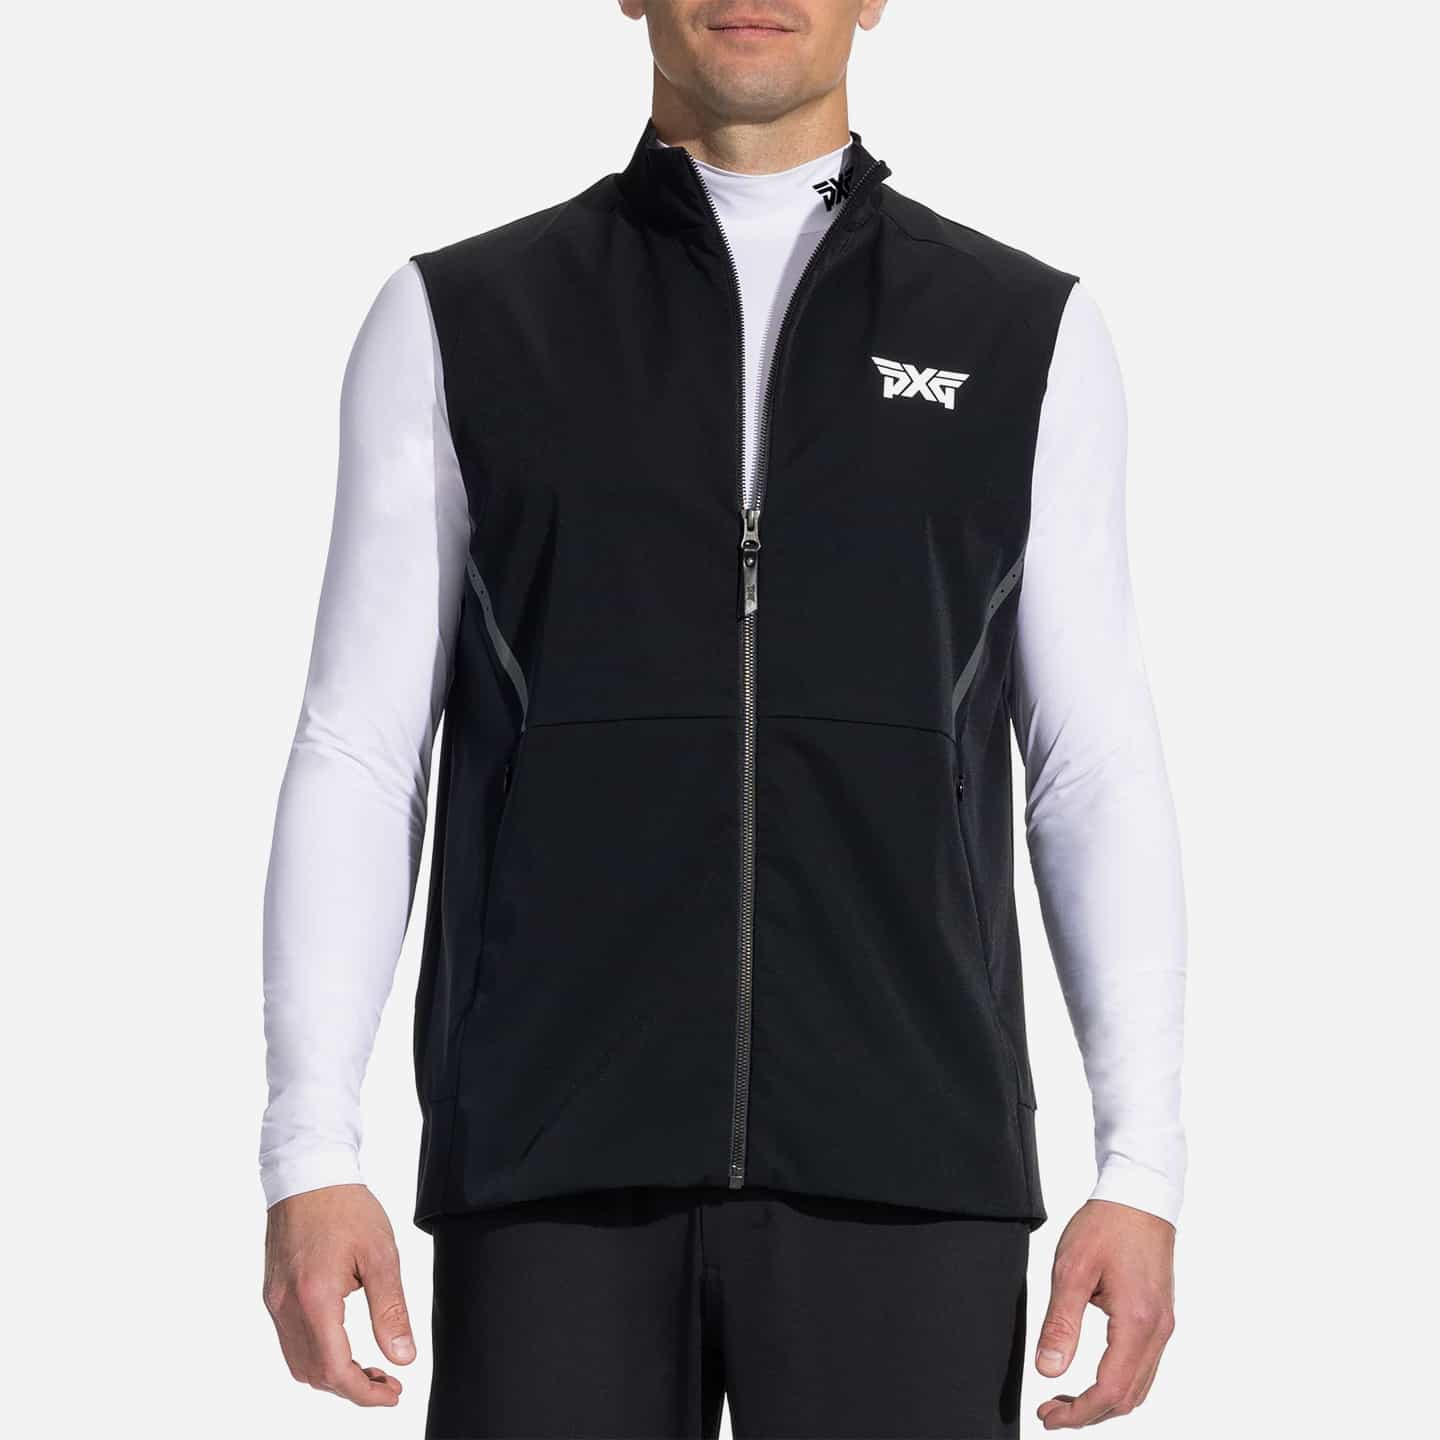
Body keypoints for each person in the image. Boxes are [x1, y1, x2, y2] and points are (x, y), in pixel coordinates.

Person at [259, 2, 1187, 1435]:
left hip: (911, 1163)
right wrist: (311, 1149)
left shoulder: (1020, 331)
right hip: (552, 1167)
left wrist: (1141, 1168)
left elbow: (1091, 765)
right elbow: (361, 750)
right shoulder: (463, 317)